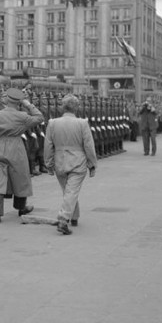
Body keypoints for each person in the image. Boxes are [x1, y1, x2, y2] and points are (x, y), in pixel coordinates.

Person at [44, 94, 97, 235]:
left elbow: (48, 145)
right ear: (77, 108)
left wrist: (48, 164)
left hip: (59, 161)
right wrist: (92, 164)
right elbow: (89, 146)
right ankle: (64, 219)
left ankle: (74, 216)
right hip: (77, 161)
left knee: (68, 191)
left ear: (62, 107)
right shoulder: (82, 123)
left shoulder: (52, 123)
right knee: (71, 191)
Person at [0, 88, 43, 222]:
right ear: (19, 102)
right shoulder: (22, 116)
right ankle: (21, 207)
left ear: (6, 100)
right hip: (16, 147)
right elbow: (40, 117)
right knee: (20, 178)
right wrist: (28, 104)